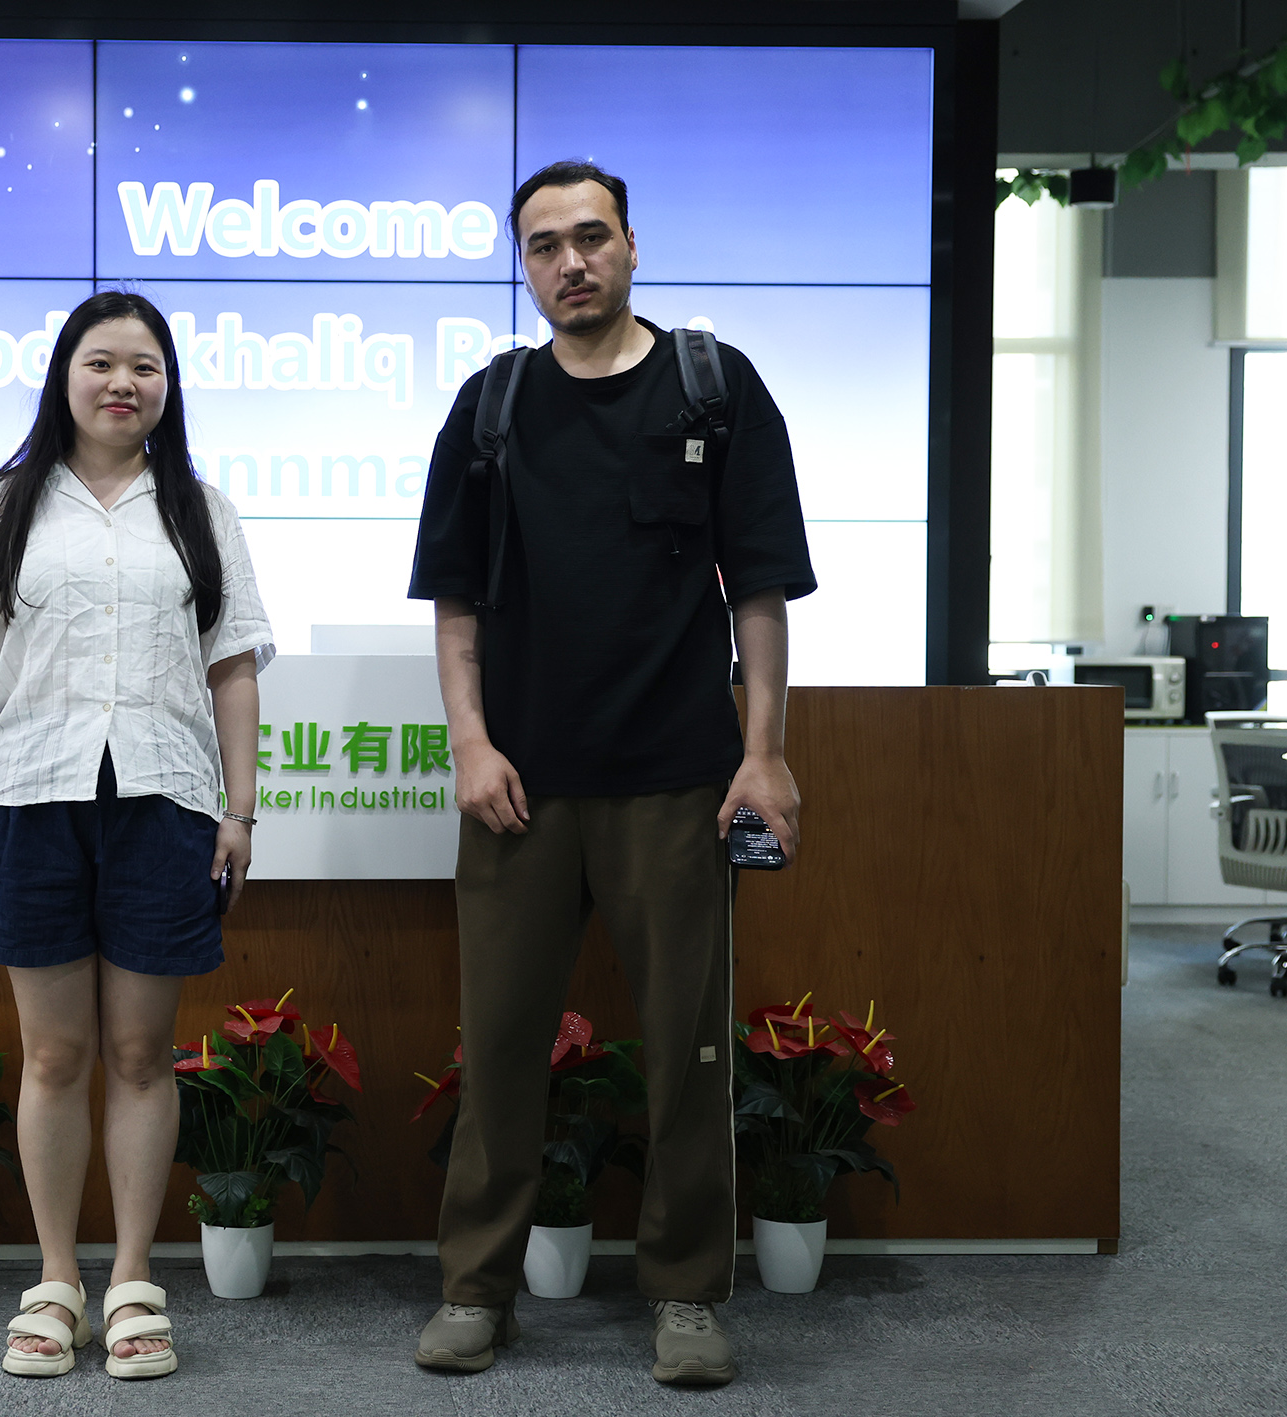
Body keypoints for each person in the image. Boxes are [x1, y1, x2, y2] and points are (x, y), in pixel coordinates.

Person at [407, 161, 816, 1387]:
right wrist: (470, 743)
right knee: (501, 1047)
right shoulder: (492, 406)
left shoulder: (714, 388)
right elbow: (456, 605)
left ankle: (687, 1292)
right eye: (544, 246)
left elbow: (758, 590)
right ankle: (475, 1288)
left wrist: (763, 752)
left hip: (676, 780)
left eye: (590, 237)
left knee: (688, 1051)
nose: (570, 262)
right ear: (524, 268)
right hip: (518, 788)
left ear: (633, 245)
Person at [0, 290, 273, 1382]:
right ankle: (53, 1280)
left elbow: (232, 667)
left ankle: (130, 1281)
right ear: (64, 377)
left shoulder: (202, 510)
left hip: (165, 799)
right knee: (55, 1054)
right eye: (102, 363)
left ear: (169, 386)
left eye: (146, 366)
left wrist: (239, 807)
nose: (125, 382)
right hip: (33, 796)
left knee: (138, 1054)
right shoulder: (9, 503)